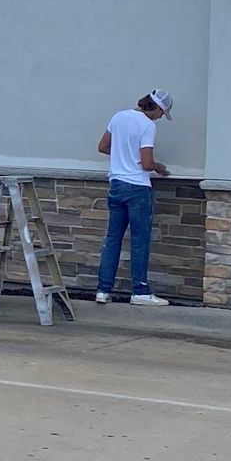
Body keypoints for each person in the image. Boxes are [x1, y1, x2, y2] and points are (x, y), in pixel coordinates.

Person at [96, 90, 172, 304]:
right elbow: (146, 164)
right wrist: (158, 167)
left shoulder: (118, 117)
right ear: (157, 108)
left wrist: (123, 153)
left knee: (113, 239)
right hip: (137, 188)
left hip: (116, 185)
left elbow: (103, 147)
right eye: (162, 113)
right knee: (139, 241)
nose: (160, 117)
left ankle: (103, 290)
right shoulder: (148, 125)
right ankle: (140, 291)